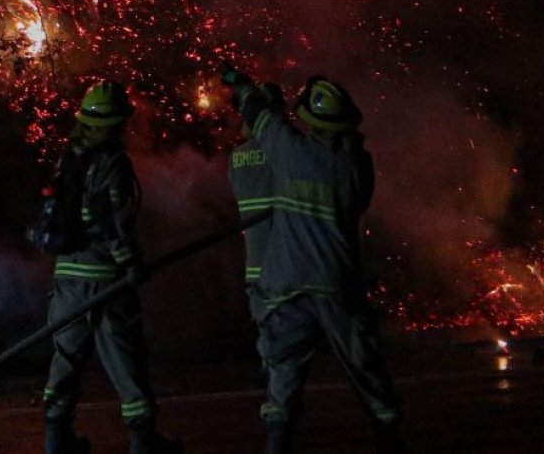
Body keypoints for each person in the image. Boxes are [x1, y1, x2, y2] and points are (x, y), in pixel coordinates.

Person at [225, 72, 402, 454]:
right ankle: (387, 433)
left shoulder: (292, 154)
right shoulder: (357, 169)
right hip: (337, 284)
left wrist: (242, 87)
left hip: (287, 284)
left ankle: (277, 442)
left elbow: (260, 116)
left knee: (283, 371)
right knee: (364, 367)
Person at [42, 80, 182, 454]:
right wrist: (131, 264)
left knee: (66, 357)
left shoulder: (68, 158)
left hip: (68, 275)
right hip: (105, 281)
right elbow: (113, 221)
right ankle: (142, 437)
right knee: (125, 358)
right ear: (116, 123)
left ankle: (56, 436)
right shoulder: (113, 163)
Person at [227, 82, 284, 355]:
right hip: (286, 258)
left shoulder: (236, 157)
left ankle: (270, 374)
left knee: (266, 326)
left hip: (255, 261)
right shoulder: (286, 153)